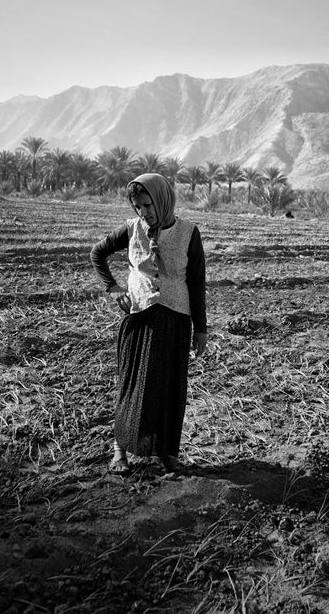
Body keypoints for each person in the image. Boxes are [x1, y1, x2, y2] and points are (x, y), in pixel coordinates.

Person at [90, 173, 207, 475]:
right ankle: (119, 452)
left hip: (176, 321)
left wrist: (201, 329)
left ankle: (166, 453)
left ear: (163, 200)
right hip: (140, 318)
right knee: (132, 386)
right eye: (138, 206)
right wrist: (113, 289)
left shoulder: (189, 233)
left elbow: (196, 282)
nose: (143, 212)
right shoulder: (131, 230)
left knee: (169, 389)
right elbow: (97, 253)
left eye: (148, 204)